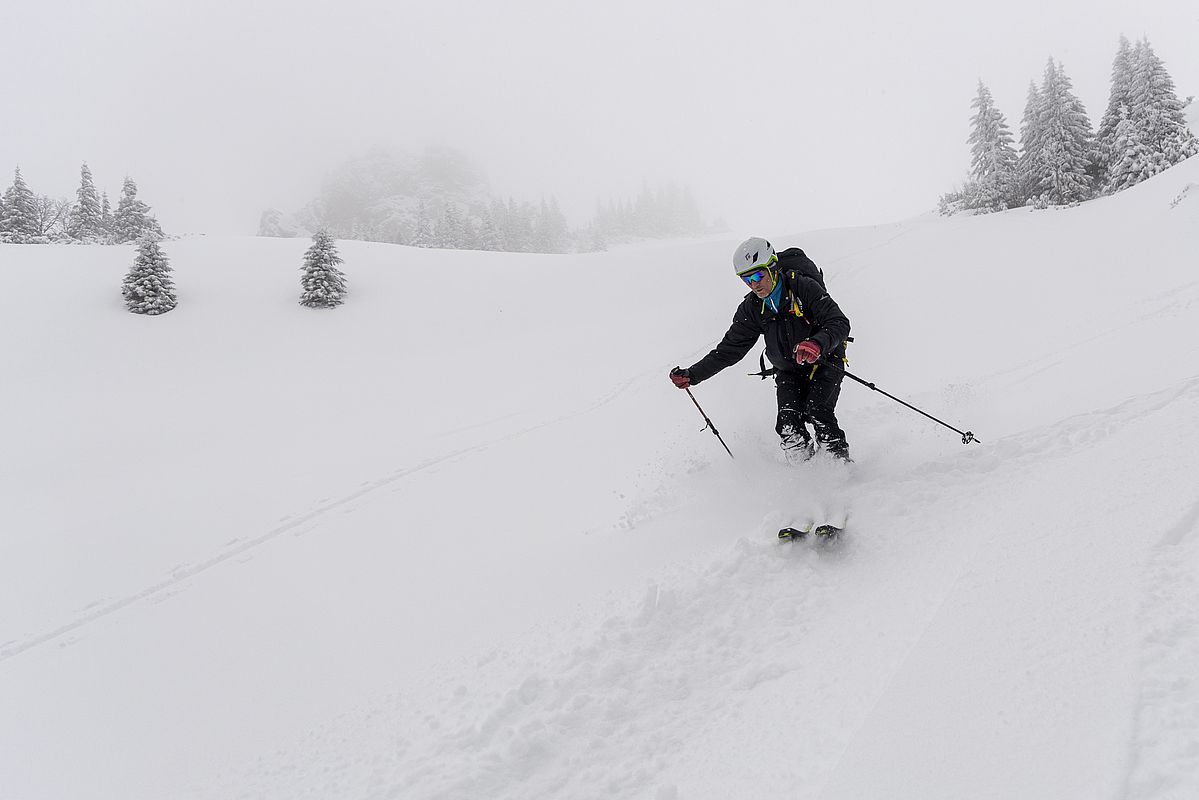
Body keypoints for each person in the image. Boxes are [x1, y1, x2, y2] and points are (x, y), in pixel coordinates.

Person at [670, 237, 852, 462]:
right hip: (789, 371)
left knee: (818, 411)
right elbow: (730, 349)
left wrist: (816, 343)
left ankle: (841, 469)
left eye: (758, 276)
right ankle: (806, 474)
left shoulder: (802, 287)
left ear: (772, 267)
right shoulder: (752, 307)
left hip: (825, 361)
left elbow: (838, 322)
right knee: (787, 425)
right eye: (747, 279)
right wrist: (693, 374)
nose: (754, 285)